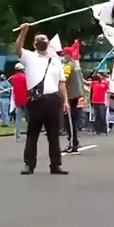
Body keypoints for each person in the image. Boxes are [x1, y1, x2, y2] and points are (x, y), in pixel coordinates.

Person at [14, 22, 68, 175]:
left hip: (53, 100)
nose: (41, 41)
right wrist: (24, 32)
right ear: (34, 44)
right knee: (32, 134)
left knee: (53, 135)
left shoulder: (56, 61)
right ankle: (29, 165)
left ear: (48, 42)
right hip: (35, 100)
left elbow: (61, 82)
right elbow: (17, 49)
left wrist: (65, 101)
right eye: (38, 40)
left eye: (44, 39)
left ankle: (55, 165)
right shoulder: (29, 57)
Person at [62, 46, 85, 153]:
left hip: (71, 96)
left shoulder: (68, 66)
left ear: (68, 55)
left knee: (70, 121)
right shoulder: (76, 65)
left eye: (64, 54)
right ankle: (74, 142)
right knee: (74, 120)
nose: (62, 56)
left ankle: (73, 143)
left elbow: (63, 78)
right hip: (78, 95)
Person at [8, 63, 28, 142]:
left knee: (18, 119)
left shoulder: (13, 78)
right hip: (25, 99)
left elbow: (10, 82)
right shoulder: (24, 77)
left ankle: (17, 136)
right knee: (28, 119)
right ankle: (29, 134)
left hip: (17, 100)